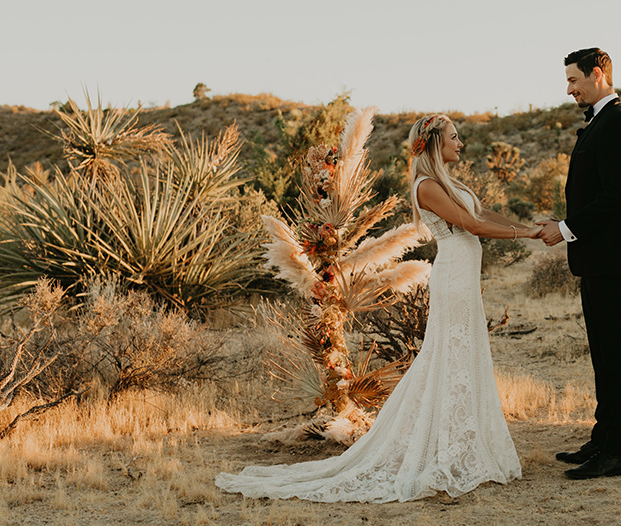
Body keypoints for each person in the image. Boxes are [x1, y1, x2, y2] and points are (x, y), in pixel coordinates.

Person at [215, 114, 538, 503]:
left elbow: (484, 215)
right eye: (455, 137)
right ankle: (438, 445)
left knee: (465, 354)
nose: (461, 143)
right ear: (435, 143)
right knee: (449, 355)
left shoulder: (452, 183)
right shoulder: (428, 186)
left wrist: (533, 228)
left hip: (465, 274)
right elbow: (471, 225)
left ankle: (461, 441)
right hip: (453, 275)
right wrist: (527, 233)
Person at [537, 48, 621, 480]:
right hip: (597, 260)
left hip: (611, 261)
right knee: (603, 354)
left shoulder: (616, 123)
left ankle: (616, 453)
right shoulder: (599, 123)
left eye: (573, 80)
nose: (569, 88)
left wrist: (564, 228)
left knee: (616, 355)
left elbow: (616, 197)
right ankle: (602, 439)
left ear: (597, 75)